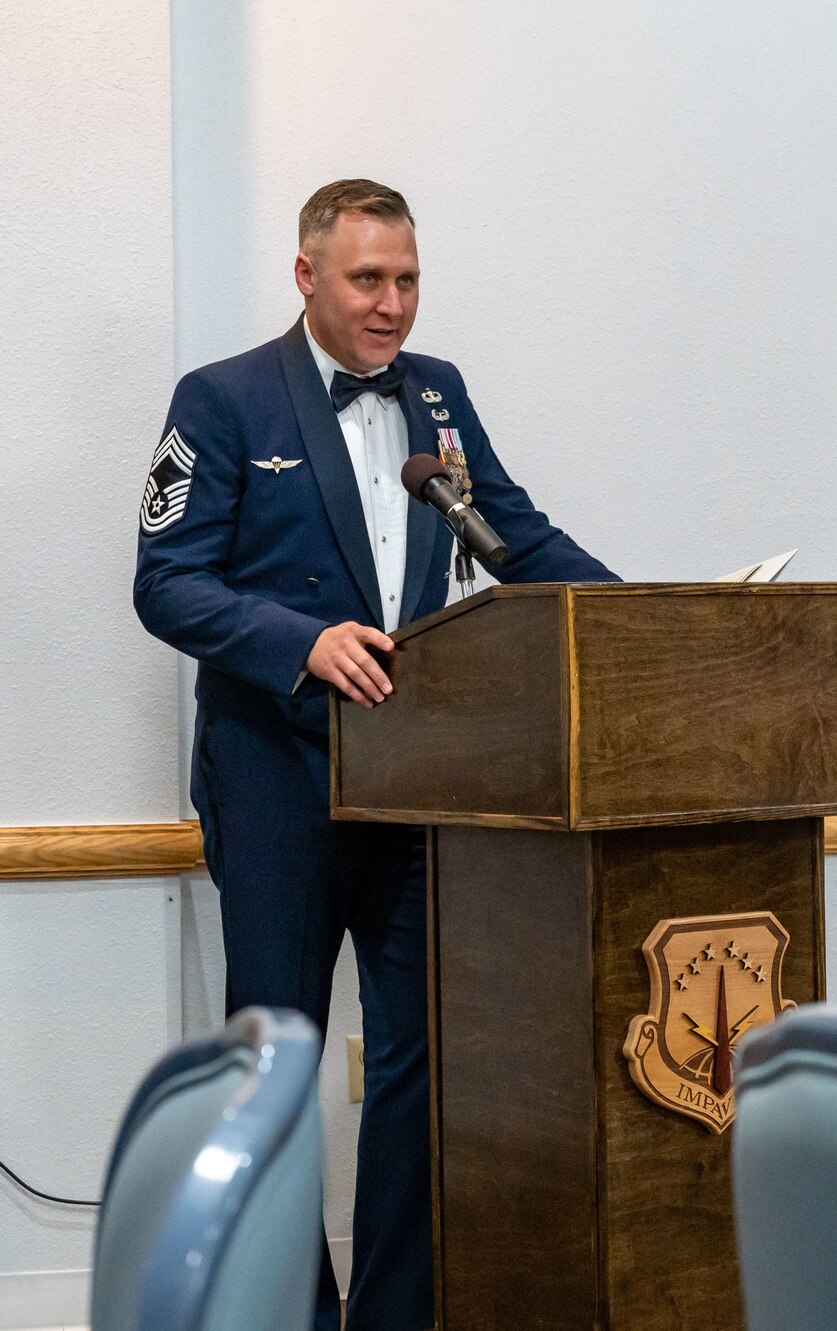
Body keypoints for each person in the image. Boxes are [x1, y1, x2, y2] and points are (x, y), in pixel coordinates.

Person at [133, 179, 618, 1331]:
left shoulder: (437, 393)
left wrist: (641, 614)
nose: (391, 303)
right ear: (307, 276)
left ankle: (396, 1311)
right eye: (367, 279)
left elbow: (516, 535)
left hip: (420, 785)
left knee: (423, 1055)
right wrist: (300, 640)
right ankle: (289, 1308)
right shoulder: (222, 399)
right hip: (277, 783)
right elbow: (167, 582)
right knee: (282, 1063)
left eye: (405, 279)